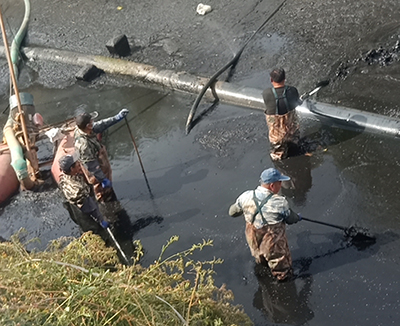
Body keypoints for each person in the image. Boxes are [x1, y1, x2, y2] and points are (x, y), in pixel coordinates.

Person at [228, 168, 301, 281]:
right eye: (279, 182)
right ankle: (282, 278)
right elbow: (291, 219)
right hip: (271, 239)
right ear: (272, 186)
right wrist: (298, 217)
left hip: (252, 235)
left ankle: (263, 262)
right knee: (278, 261)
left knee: (259, 253)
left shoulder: (245, 196)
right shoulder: (280, 202)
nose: (281, 185)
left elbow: (232, 212)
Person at [74, 108, 129, 202]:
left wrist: (117, 117)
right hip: (95, 168)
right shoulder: (84, 146)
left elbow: (102, 124)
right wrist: (103, 179)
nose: (93, 122)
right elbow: (92, 166)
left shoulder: (84, 129)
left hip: (97, 160)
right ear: (88, 126)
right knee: (102, 190)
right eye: (91, 121)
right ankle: (106, 204)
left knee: (106, 183)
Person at [58, 154, 109, 229]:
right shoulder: (78, 189)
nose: (79, 164)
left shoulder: (63, 178)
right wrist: (101, 219)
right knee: (93, 224)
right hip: (83, 207)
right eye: (77, 164)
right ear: (72, 168)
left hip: (74, 205)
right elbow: (91, 207)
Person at [262, 68, 302, 160]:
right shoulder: (292, 90)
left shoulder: (266, 93)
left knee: (276, 138)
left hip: (274, 121)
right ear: (284, 78)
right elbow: (296, 102)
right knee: (293, 131)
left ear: (271, 80)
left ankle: (278, 154)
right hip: (290, 120)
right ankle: (293, 144)